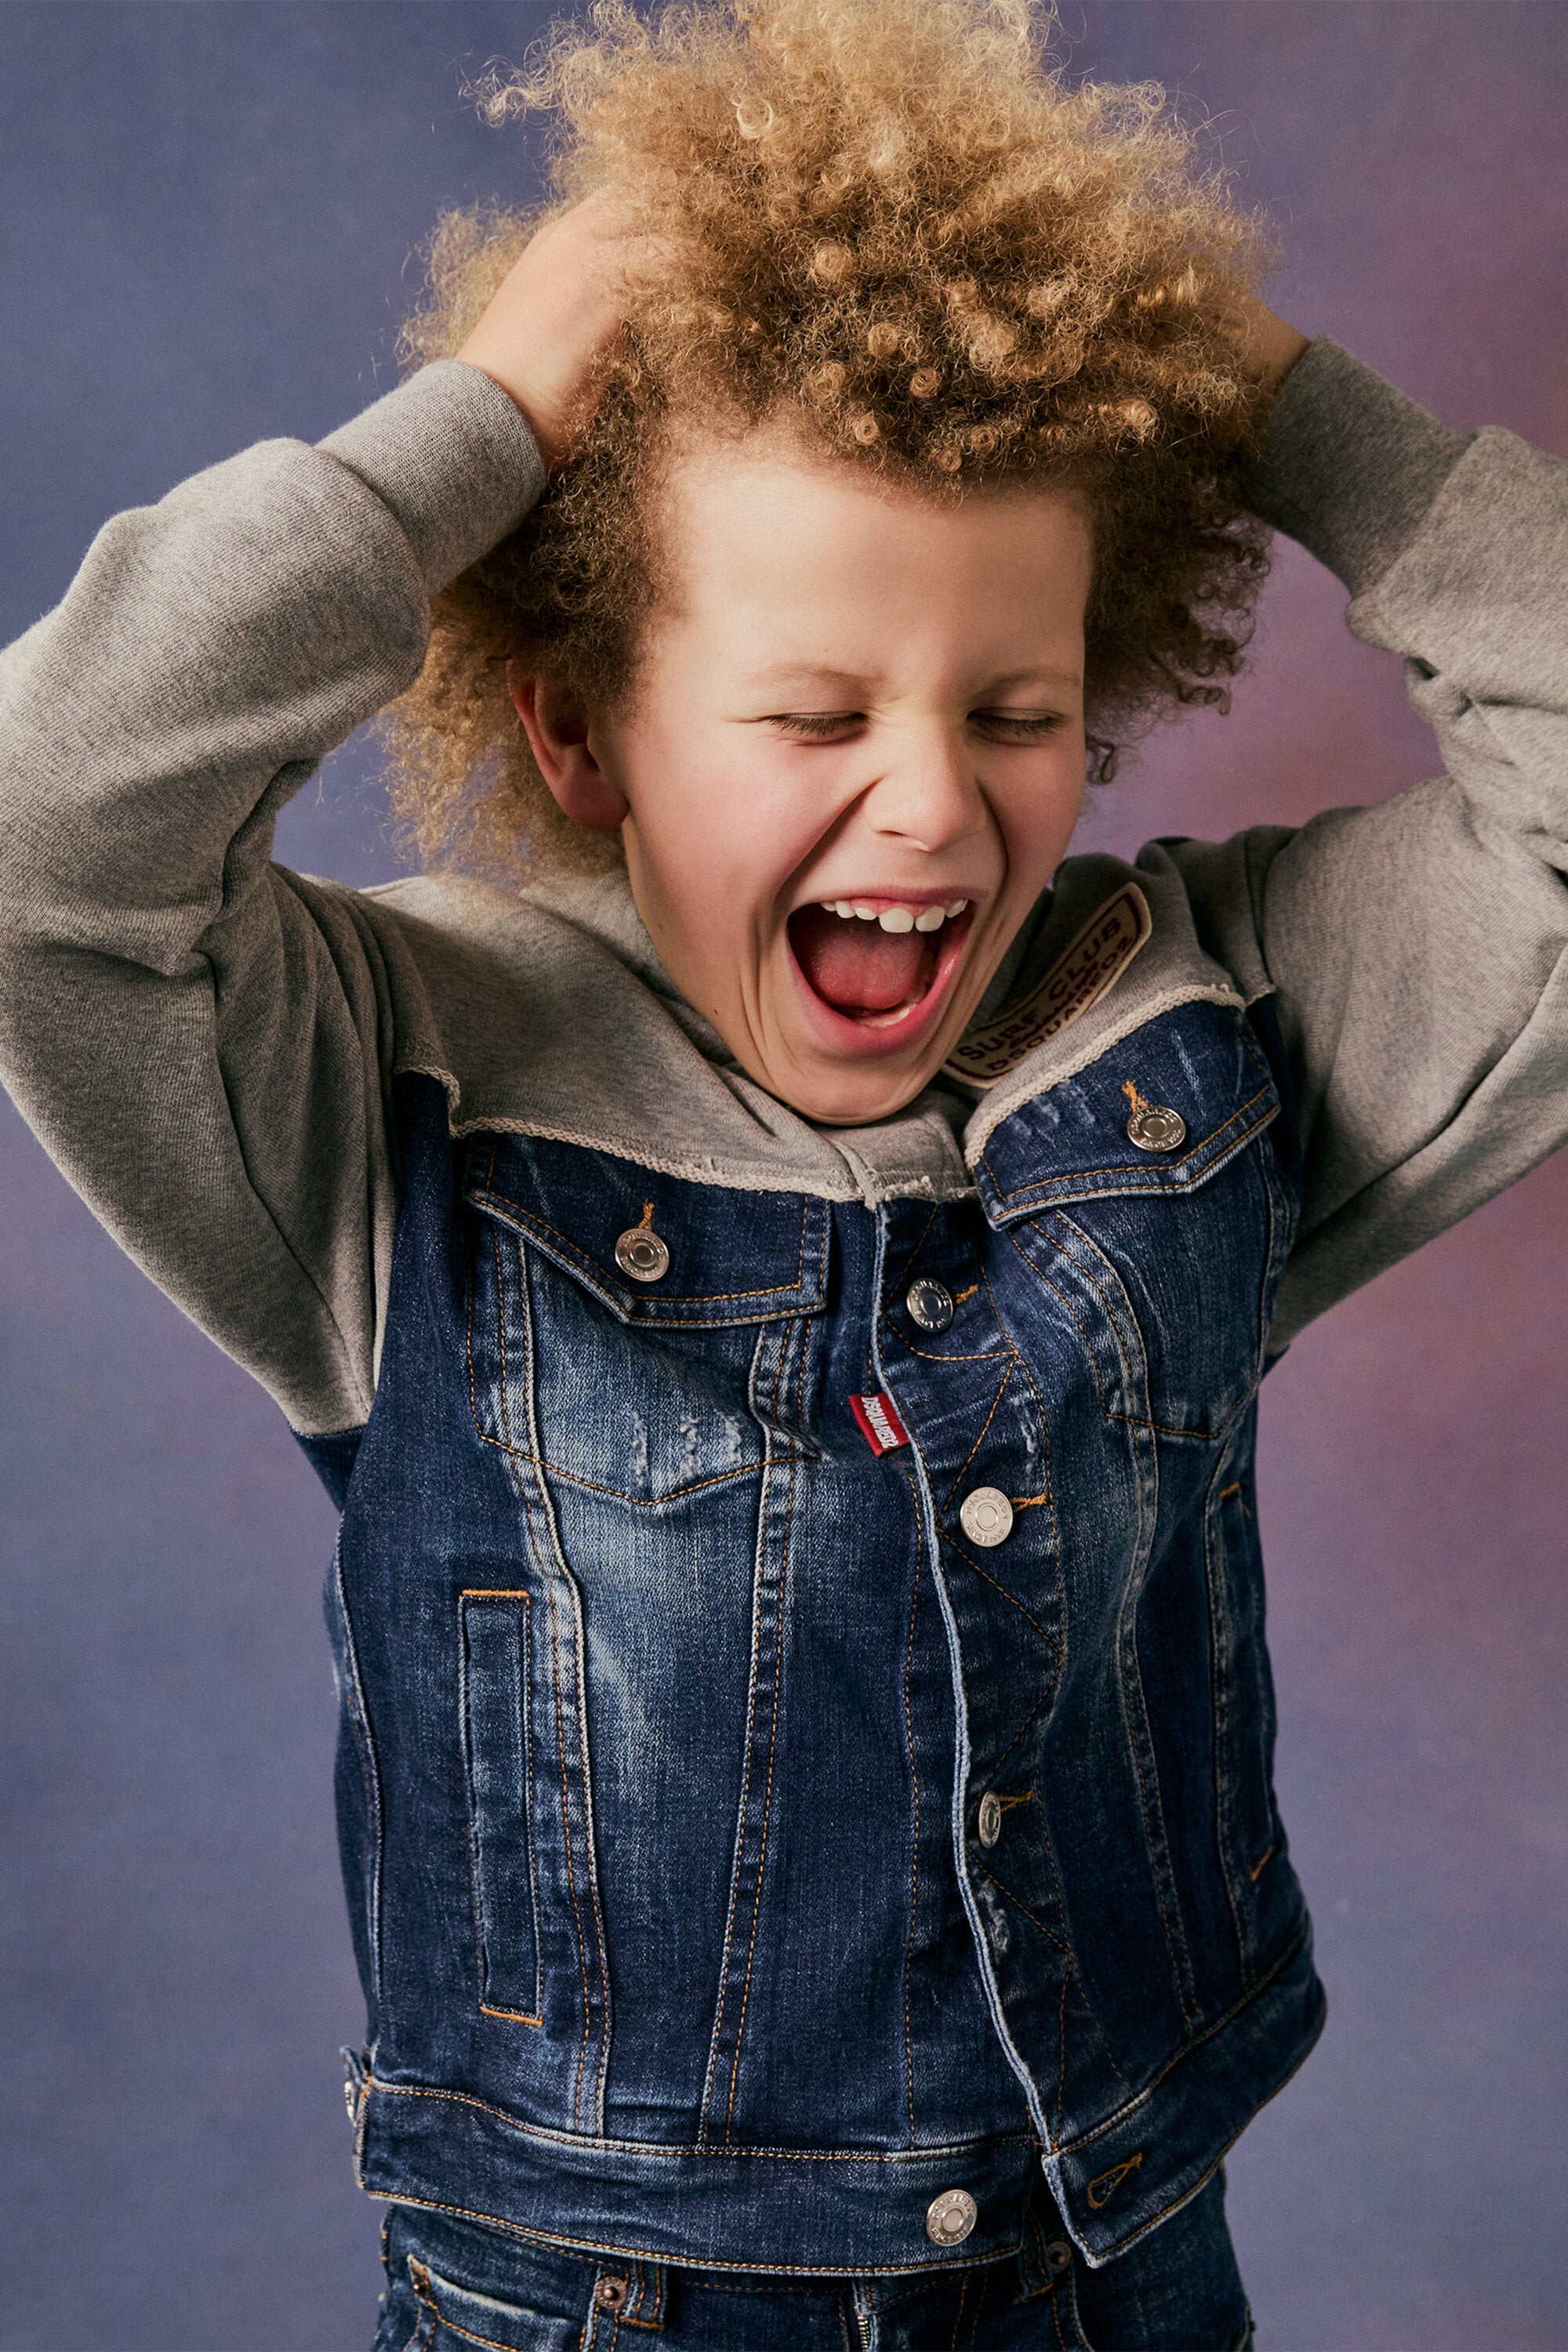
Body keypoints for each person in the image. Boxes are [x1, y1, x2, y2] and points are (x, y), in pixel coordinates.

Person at [2, 2, 1563, 2345]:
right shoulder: (396, 1103)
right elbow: (52, 830)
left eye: (1014, 709)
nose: (931, 804)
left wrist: (1264, 395)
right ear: (572, 722)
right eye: (814, 715)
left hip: (1119, 2284)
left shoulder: (1204, 1034)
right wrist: (486, 428)